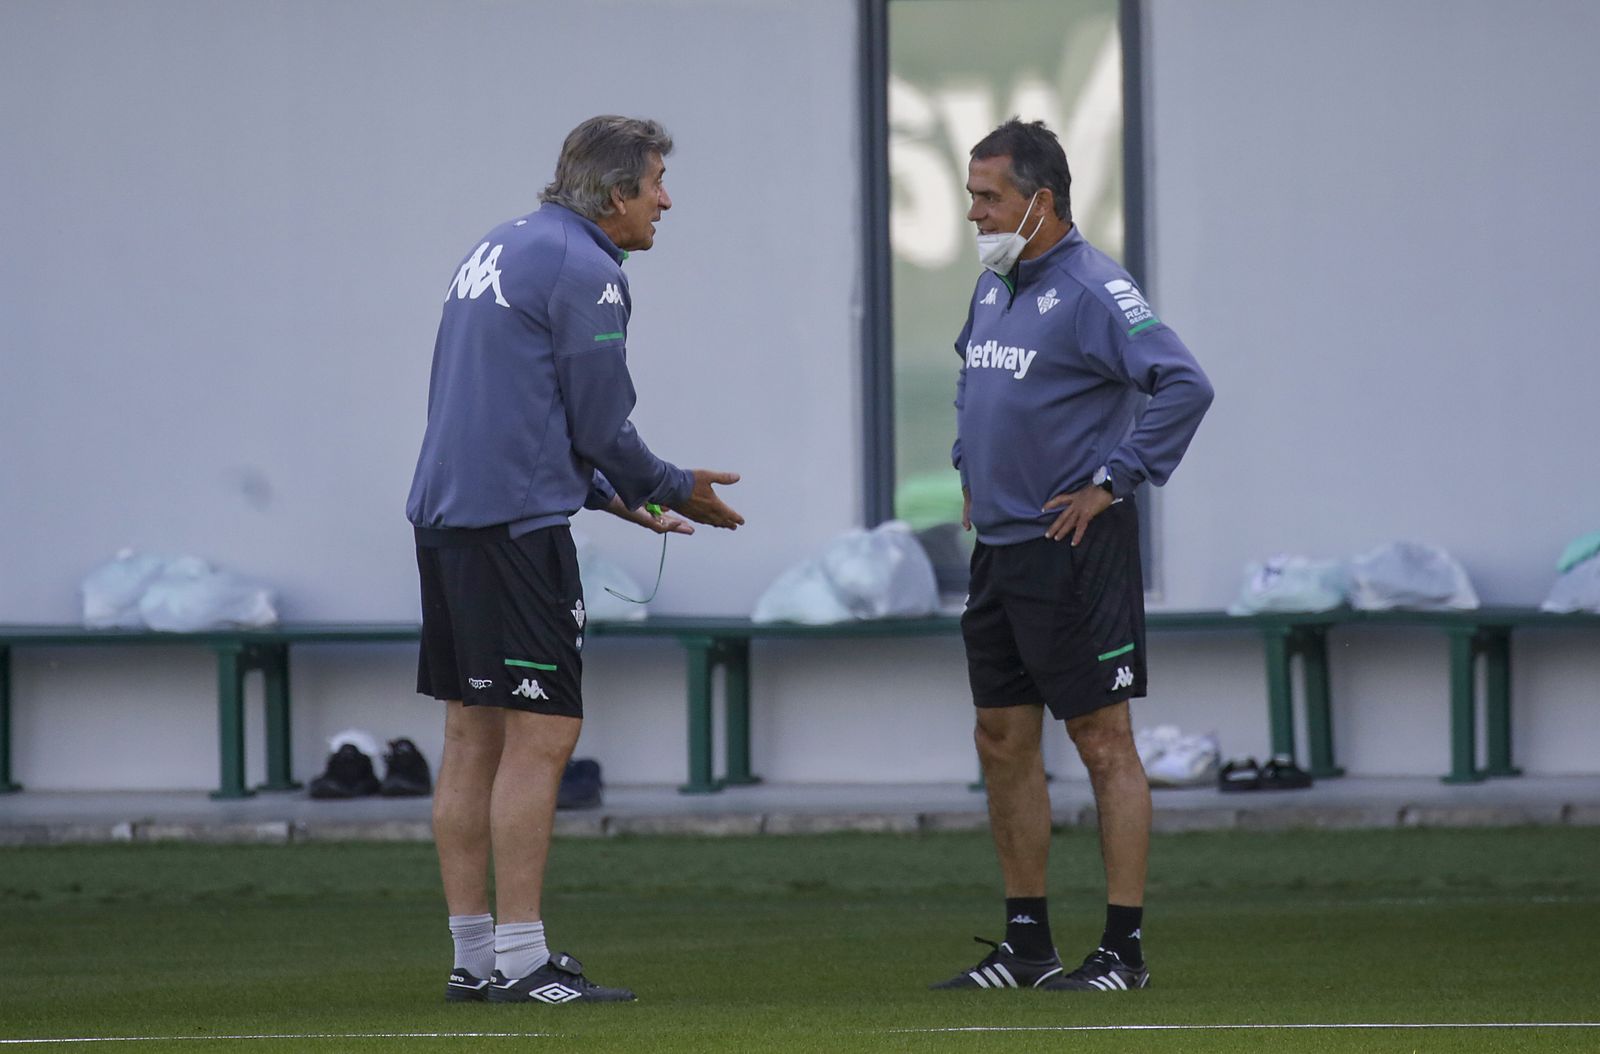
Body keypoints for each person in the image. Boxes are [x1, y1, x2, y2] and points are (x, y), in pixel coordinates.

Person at [405, 115, 743, 1005]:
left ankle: (472, 959)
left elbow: (509, 409)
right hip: (514, 529)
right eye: (658, 181)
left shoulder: (504, 242)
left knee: (470, 735)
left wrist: (614, 499)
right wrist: (668, 485)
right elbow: (596, 426)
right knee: (544, 734)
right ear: (616, 192)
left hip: (448, 519)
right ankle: (522, 962)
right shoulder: (589, 270)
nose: (667, 200)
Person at [932, 119, 1213, 993]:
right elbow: (972, 379)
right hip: (1003, 551)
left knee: (1102, 741)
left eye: (989, 197)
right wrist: (966, 468)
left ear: (1039, 201)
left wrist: (1115, 479)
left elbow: (1185, 384)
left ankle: (1122, 953)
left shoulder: (1096, 288)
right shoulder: (993, 285)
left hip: (1075, 549)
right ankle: (1027, 947)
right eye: (973, 193)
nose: (972, 211)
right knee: (1001, 738)